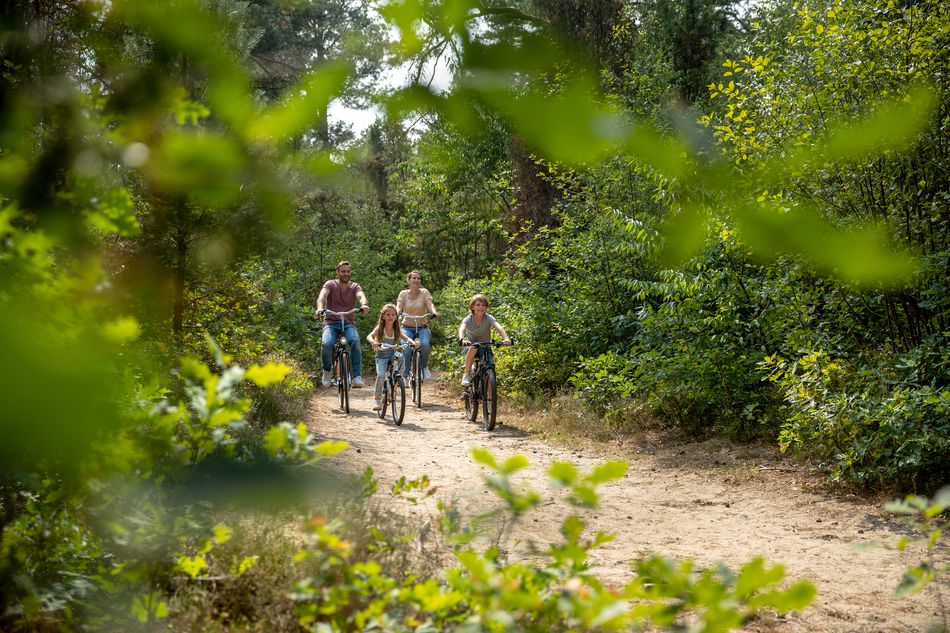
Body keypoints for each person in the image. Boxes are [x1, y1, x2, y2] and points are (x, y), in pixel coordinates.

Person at [316, 261, 370, 388]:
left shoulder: (354, 286)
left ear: (350, 272)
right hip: (331, 322)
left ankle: (357, 376)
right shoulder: (330, 284)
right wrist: (320, 308)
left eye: (348, 271)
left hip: (348, 323)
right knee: (326, 344)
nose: (345, 273)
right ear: (337, 272)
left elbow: (361, 296)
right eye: (343, 271)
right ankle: (327, 372)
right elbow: (322, 297)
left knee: (355, 341)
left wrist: (364, 305)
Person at [367, 304, 419, 411]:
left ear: (396, 316)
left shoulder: (396, 329)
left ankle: (398, 377)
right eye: (388, 314)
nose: (390, 317)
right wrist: (373, 342)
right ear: (383, 316)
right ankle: (377, 399)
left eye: (393, 314)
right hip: (381, 356)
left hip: (392, 354)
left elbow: (406, 338)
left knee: (400, 357)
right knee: (381, 375)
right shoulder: (380, 328)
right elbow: (369, 336)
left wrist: (413, 342)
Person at [457, 293, 510, 387]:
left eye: (483, 305)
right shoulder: (468, 319)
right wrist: (462, 339)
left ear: (486, 308)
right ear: (472, 307)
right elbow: (462, 329)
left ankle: (490, 396)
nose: (481, 307)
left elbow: (499, 327)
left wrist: (506, 338)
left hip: (485, 346)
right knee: (473, 347)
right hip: (470, 346)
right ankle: (467, 374)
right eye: (478, 305)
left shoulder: (489, 318)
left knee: (490, 367)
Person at [396, 270, 440, 380]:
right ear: (409, 280)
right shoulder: (403, 293)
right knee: (406, 348)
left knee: (424, 344)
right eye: (414, 278)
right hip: (406, 327)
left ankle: (424, 367)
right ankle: (405, 375)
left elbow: (430, 305)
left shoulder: (424, 292)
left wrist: (433, 312)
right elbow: (399, 306)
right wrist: (397, 312)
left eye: (418, 278)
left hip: (422, 327)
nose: (416, 280)